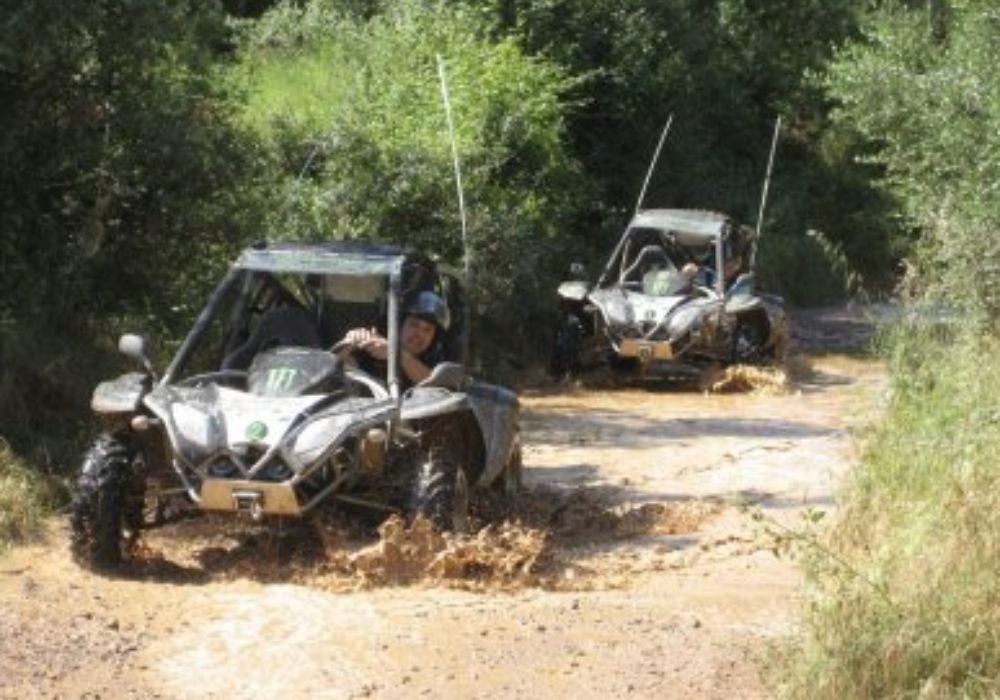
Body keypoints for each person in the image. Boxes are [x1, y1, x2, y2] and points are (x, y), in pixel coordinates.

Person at [337, 290, 451, 387]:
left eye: (427, 330)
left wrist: (394, 353)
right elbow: (329, 374)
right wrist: (349, 345)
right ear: (399, 326)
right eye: (414, 324)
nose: (419, 334)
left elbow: (436, 387)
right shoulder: (372, 352)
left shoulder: (436, 363)